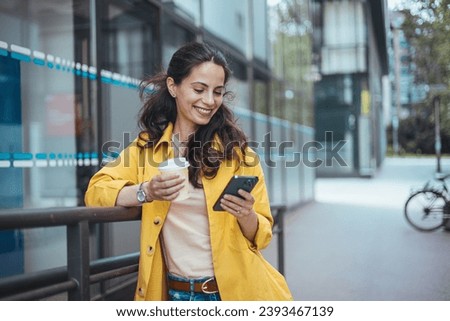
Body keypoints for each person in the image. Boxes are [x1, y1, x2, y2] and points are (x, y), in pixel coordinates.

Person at [85, 42, 293, 301]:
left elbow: (262, 236)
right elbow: (96, 191)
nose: (209, 101)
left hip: (236, 294)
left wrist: (246, 214)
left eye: (217, 92)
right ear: (173, 86)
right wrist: (145, 191)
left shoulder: (238, 153)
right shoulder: (146, 149)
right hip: (174, 294)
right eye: (199, 89)